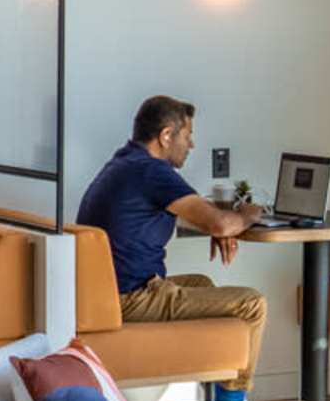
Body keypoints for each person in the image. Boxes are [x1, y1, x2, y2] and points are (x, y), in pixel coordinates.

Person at [70, 96, 272, 368]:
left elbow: (189, 216)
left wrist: (217, 224)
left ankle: (213, 390)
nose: (191, 145)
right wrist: (248, 215)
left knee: (201, 283)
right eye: (187, 136)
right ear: (166, 135)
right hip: (131, 297)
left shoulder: (125, 162)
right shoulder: (152, 171)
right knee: (252, 303)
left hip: (107, 292)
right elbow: (220, 223)